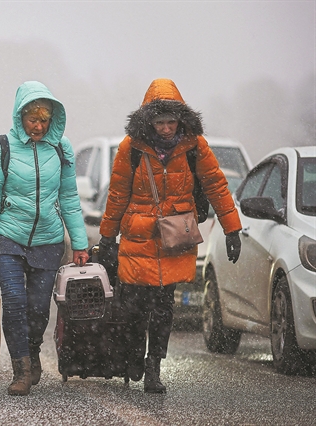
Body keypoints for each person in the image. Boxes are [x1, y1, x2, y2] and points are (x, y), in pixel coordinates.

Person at [97, 78, 242, 393]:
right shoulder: (131, 149)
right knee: (134, 307)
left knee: (163, 307)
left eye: (171, 121)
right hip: (137, 238)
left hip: (174, 238)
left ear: (180, 120)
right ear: (149, 120)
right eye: (160, 122)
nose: (166, 128)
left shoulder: (195, 146)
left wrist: (232, 228)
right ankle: (134, 355)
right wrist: (107, 237)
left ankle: (153, 367)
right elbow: (118, 193)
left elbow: (216, 184)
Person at [0, 81, 89, 396]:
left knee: (38, 308)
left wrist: (79, 244)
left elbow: (70, 198)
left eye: (44, 120)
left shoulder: (61, 149)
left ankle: (32, 348)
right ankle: (21, 368)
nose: (38, 126)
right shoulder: (0, 148)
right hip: (8, 236)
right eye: (32, 119)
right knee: (14, 300)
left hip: (48, 239)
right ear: (20, 116)